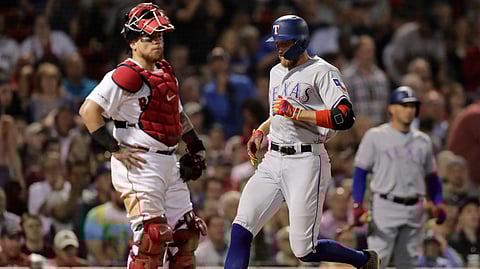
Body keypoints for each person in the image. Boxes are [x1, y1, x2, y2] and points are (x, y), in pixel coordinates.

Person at [224, 15, 378, 269]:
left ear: (300, 41)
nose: (279, 48)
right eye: (277, 43)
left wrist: (297, 113)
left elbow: (344, 116)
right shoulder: (275, 71)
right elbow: (277, 114)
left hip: (307, 161)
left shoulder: (323, 71)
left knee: (304, 249)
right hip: (273, 159)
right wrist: (261, 132)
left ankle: (363, 259)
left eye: (284, 43)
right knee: (241, 228)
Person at [79, 3, 207, 269]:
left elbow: (177, 114)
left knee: (186, 236)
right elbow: (89, 111)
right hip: (140, 163)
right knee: (152, 238)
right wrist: (114, 148)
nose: (157, 42)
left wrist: (196, 146)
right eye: (150, 38)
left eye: (159, 37)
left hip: (170, 162)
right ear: (134, 42)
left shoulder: (166, 71)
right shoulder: (125, 74)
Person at [351, 86, 448, 269]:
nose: (409, 110)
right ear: (391, 108)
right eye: (404, 105)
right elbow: (360, 172)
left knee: (408, 263)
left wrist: (438, 201)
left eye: (412, 106)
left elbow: (432, 177)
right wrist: (357, 204)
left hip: (415, 209)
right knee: (377, 261)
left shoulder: (423, 141)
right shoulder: (376, 136)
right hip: (384, 206)